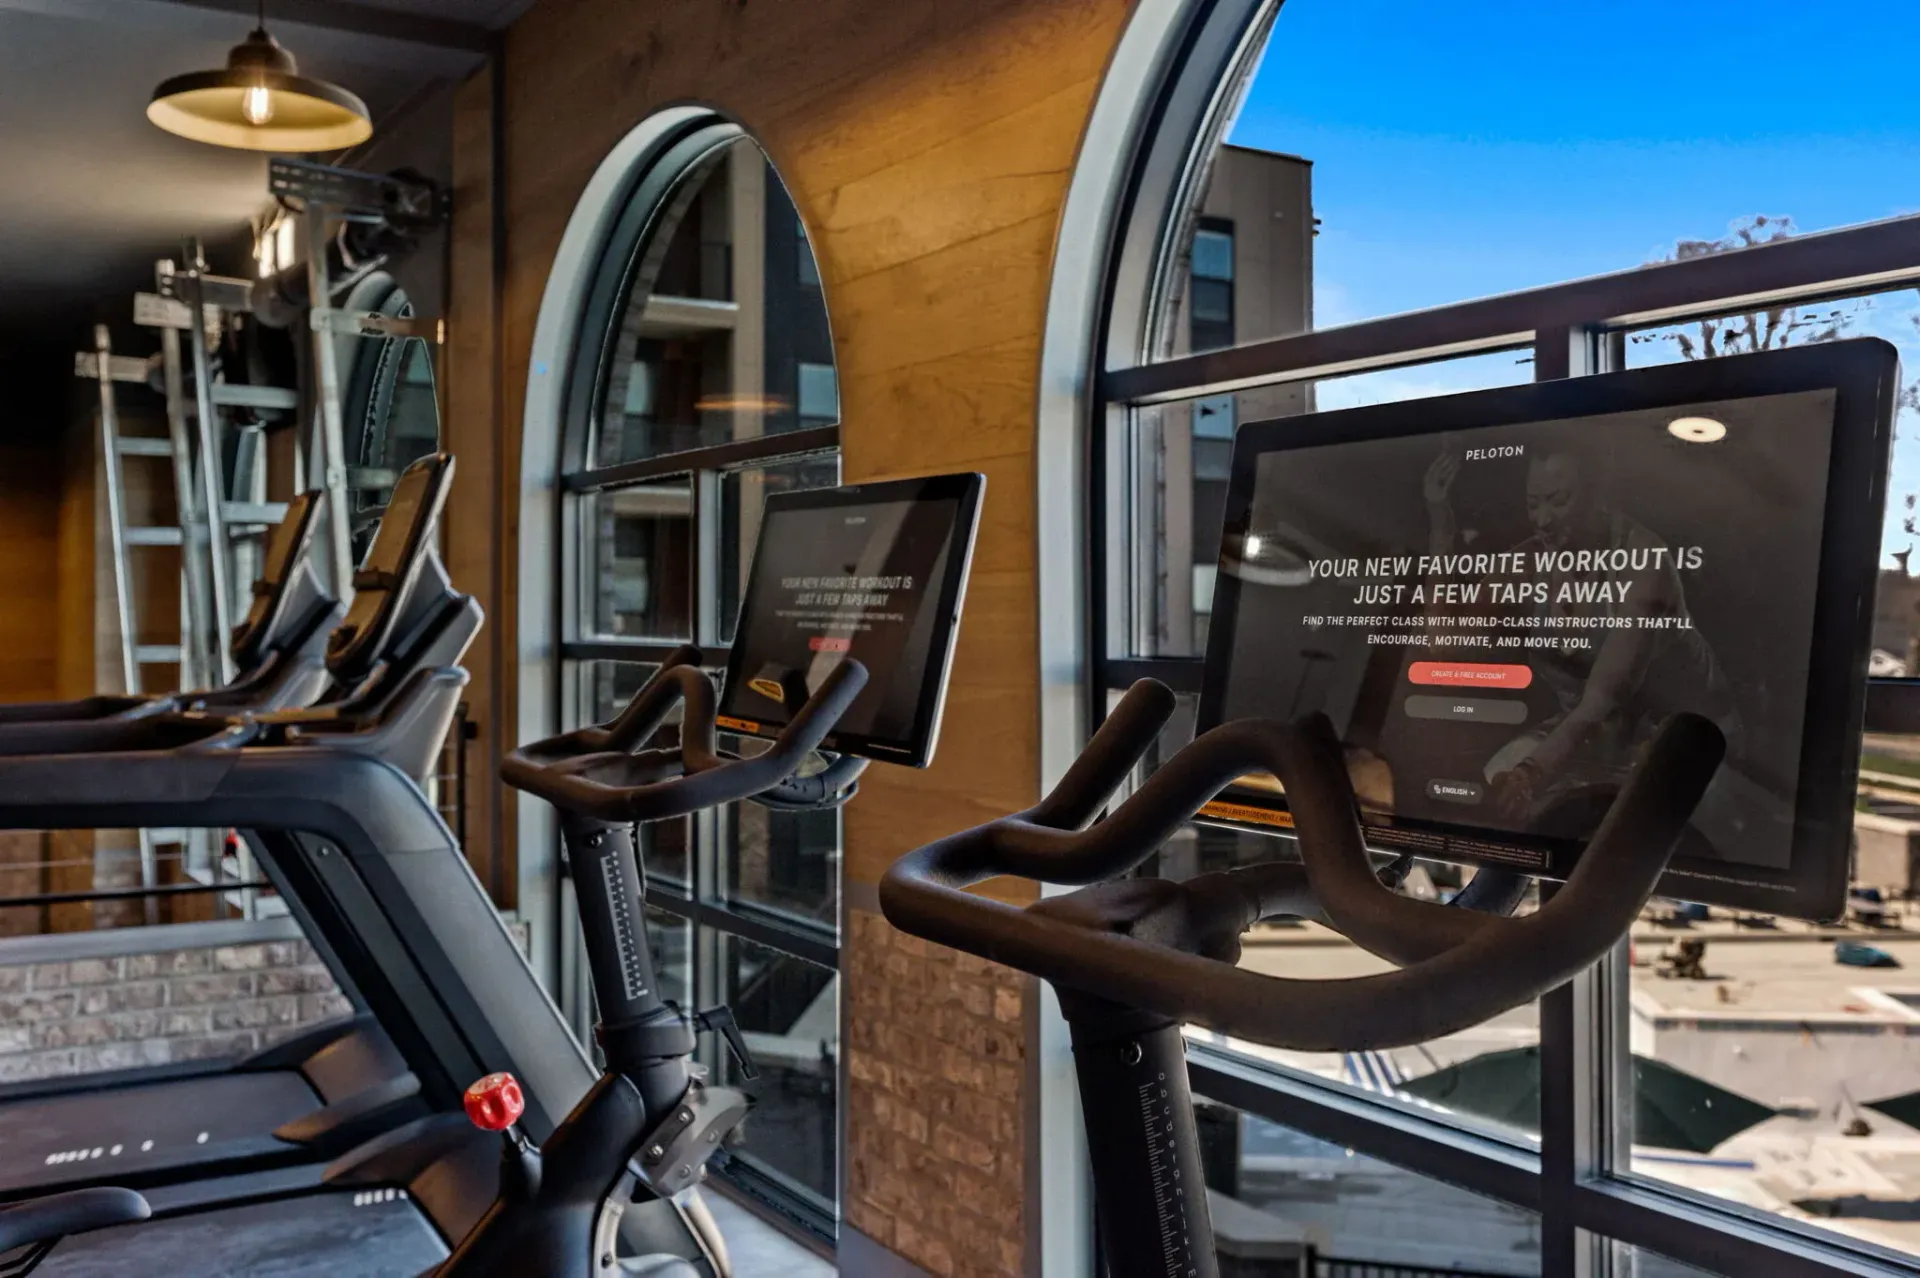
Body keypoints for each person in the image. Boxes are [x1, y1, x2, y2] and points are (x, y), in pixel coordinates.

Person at [1422, 444, 1743, 830]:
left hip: (1691, 738)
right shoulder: (1527, 563)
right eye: (1532, 504)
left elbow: (1601, 700)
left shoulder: (1643, 561)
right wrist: (1442, 528)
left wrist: (1531, 773)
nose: (1542, 520)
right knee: (1494, 792)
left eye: (1558, 502)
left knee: (1657, 832)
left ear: (1598, 497)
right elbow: (1444, 644)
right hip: (1594, 733)